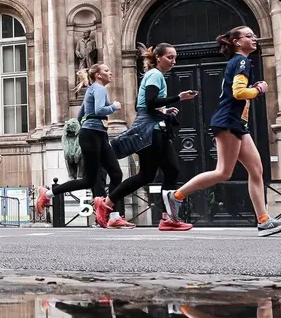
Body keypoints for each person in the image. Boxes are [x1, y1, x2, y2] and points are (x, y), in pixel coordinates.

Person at [163, 27, 281, 236]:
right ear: (237, 42)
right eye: (249, 36)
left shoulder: (240, 62)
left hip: (238, 123)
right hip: (229, 121)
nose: (254, 38)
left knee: (256, 170)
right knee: (223, 172)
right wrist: (259, 89)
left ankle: (264, 220)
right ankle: (176, 196)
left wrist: (254, 87)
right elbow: (239, 92)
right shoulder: (240, 61)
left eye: (254, 35)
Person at [108, 43, 198, 230]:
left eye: (175, 57)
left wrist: (165, 111)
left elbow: (142, 105)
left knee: (149, 174)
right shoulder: (155, 75)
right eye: (170, 57)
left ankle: (109, 202)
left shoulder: (154, 76)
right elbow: (149, 103)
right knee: (169, 170)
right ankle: (168, 218)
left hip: (151, 126)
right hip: (151, 129)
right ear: (158, 57)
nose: (174, 61)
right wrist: (178, 98)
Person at [50, 63, 124, 226]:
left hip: (95, 134)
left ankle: (113, 216)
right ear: (98, 75)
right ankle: (49, 193)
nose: (110, 72)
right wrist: (114, 107)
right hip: (93, 135)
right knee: (97, 178)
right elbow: (98, 110)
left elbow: (81, 115)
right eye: (106, 70)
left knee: (112, 174)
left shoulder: (91, 90)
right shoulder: (98, 89)